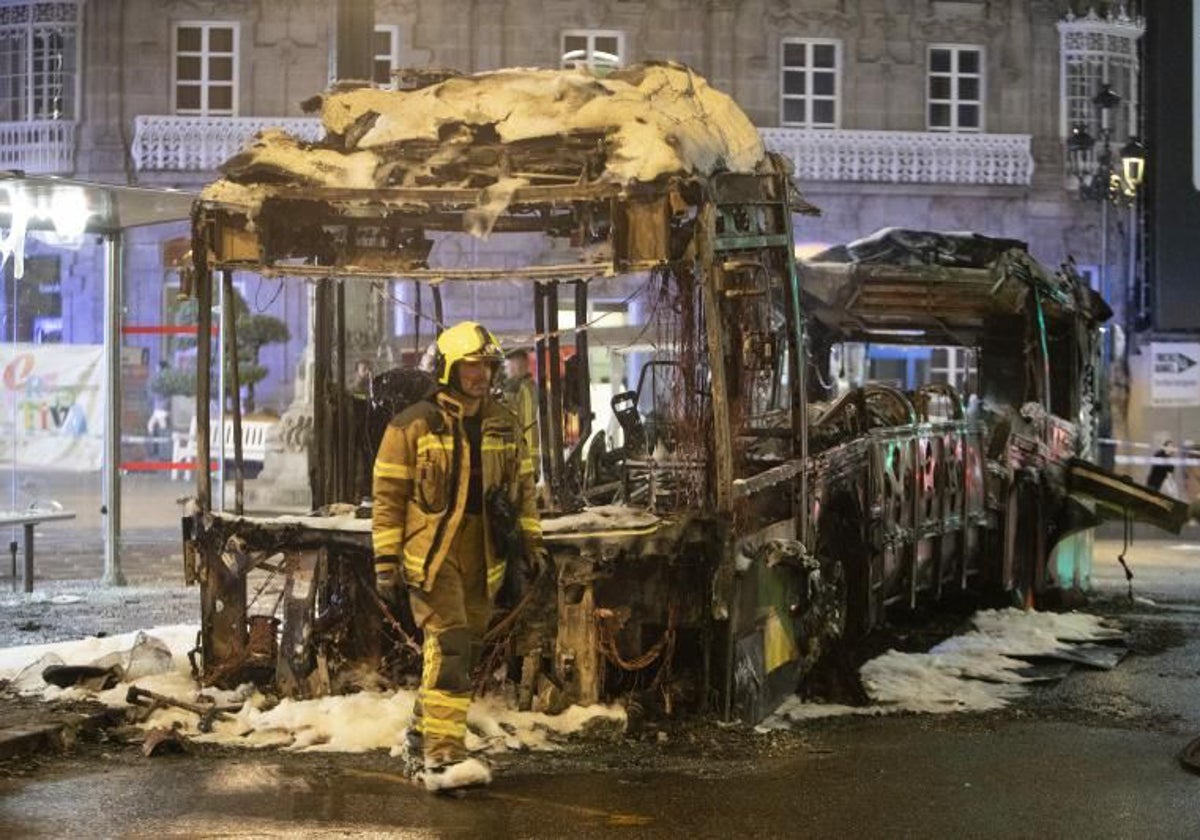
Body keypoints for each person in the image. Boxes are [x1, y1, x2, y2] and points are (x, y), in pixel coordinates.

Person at [371, 321, 544, 792]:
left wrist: (533, 544)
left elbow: (524, 489)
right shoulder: (411, 425)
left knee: (458, 649)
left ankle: (419, 736)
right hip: (432, 553)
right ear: (449, 367)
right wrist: (386, 562)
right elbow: (388, 499)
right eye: (471, 366)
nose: (480, 375)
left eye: (487, 366)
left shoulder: (505, 423)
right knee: (449, 646)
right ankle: (442, 757)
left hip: (485, 554)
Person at [501, 346, 541, 481]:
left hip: (527, 464)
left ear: (517, 365)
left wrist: (530, 466)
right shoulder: (517, 389)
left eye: (507, 366)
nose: (505, 370)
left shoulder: (525, 389)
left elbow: (531, 427)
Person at [146, 360, 171, 459]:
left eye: (158, 368)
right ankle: (155, 450)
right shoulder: (158, 380)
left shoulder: (165, 381)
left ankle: (164, 453)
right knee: (151, 426)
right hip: (157, 410)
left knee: (163, 429)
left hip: (162, 410)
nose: (157, 370)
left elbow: (163, 395)